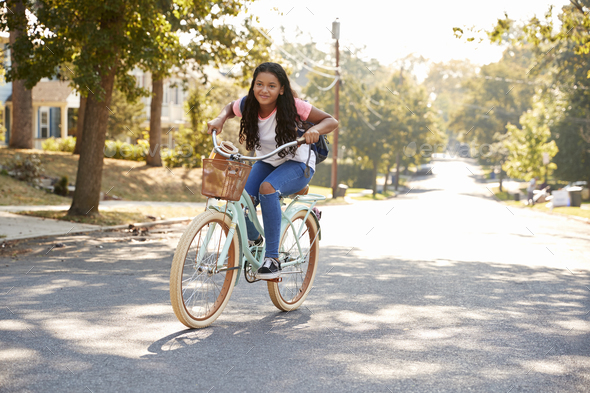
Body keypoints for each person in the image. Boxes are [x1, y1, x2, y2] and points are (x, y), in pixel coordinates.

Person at [206, 62, 338, 279]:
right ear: (253, 85)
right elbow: (230, 107)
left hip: (298, 164)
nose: (264, 90)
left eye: (271, 86)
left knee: (267, 188)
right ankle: (255, 239)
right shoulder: (249, 104)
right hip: (267, 161)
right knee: (240, 196)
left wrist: (314, 130)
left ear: (281, 89)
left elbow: (331, 121)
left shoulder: (295, 106)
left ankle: (272, 259)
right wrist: (220, 119)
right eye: (259, 84)